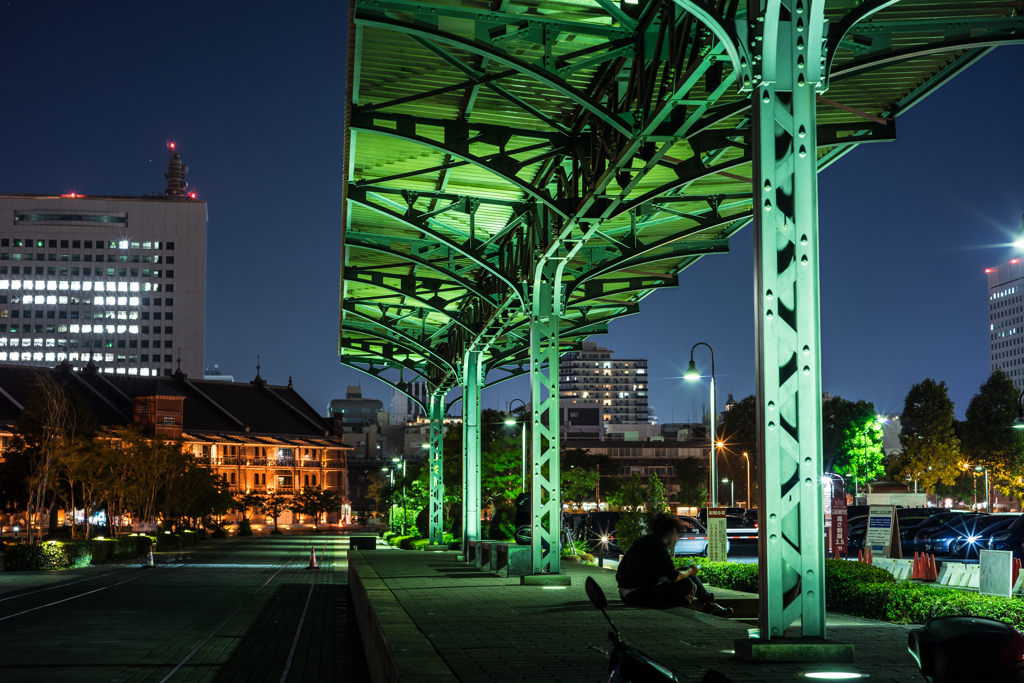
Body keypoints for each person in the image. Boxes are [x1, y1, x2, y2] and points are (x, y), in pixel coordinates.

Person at [616, 512, 734, 617]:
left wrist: (688, 572)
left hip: (635, 590)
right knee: (686, 583)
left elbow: (667, 573)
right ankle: (685, 603)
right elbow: (675, 577)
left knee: (687, 574)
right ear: (670, 531)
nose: (676, 538)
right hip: (635, 594)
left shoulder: (650, 541)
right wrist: (690, 571)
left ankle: (709, 604)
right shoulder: (657, 546)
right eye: (676, 534)